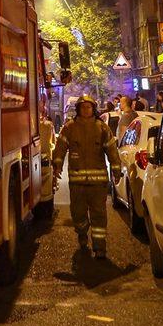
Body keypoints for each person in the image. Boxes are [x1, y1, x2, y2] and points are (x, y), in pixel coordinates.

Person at [52, 94, 121, 257]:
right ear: (78, 109)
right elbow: (60, 147)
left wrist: (116, 170)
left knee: (99, 215)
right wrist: (57, 165)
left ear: (93, 109)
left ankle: (100, 247)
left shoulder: (102, 127)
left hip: (98, 184)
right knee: (78, 214)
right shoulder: (70, 127)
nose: (86, 110)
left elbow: (112, 150)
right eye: (83, 107)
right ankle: (82, 233)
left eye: (89, 107)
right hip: (77, 184)